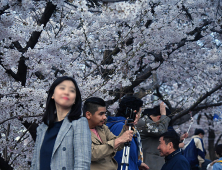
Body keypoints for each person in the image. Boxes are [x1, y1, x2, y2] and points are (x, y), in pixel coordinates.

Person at [30, 76, 91, 170]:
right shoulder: (42, 128)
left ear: (75, 100)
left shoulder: (79, 124)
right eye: (62, 88)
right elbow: (34, 164)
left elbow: (82, 164)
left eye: (72, 90)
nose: (66, 92)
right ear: (52, 95)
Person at [83, 97, 134, 170]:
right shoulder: (79, 130)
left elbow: (118, 146)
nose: (105, 117)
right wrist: (119, 140)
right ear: (88, 115)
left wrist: (125, 129)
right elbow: (92, 153)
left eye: (105, 113)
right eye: (101, 114)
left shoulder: (102, 128)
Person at [106, 96, 149, 170]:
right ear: (133, 113)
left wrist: (137, 163)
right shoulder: (121, 127)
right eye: (139, 113)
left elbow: (127, 154)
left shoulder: (124, 126)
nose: (139, 116)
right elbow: (119, 156)